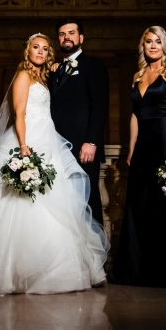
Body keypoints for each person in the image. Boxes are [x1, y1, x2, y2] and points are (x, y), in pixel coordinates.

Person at [0, 33, 108, 295]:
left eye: (44, 48)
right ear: (27, 50)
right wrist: (24, 146)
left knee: (55, 200)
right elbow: (19, 114)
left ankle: (55, 267)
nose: (40, 52)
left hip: (49, 139)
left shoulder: (45, 76)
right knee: (17, 203)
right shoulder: (23, 76)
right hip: (27, 139)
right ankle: (11, 272)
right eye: (35, 47)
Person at [113, 26, 166, 287]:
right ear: (143, 46)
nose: (153, 46)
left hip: (165, 140)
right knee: (139, 202)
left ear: (165, 45)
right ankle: (138, 268)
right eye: (148, 42)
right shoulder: (137, 76)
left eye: (158, 42)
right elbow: (135, 115)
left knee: (163, 203)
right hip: (143, 144)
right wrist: (132, 150)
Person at [49, 20, 109, 227]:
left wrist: (92, 141)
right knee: (62, 200)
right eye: (62, 33)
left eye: (71, 33)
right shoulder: (54, 70)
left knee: (89, 200)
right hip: (57, 147)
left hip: (84, 146)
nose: (66, 37)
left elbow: (99, 106)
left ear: (81, 38)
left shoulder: (93, 66)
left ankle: (95, 253)